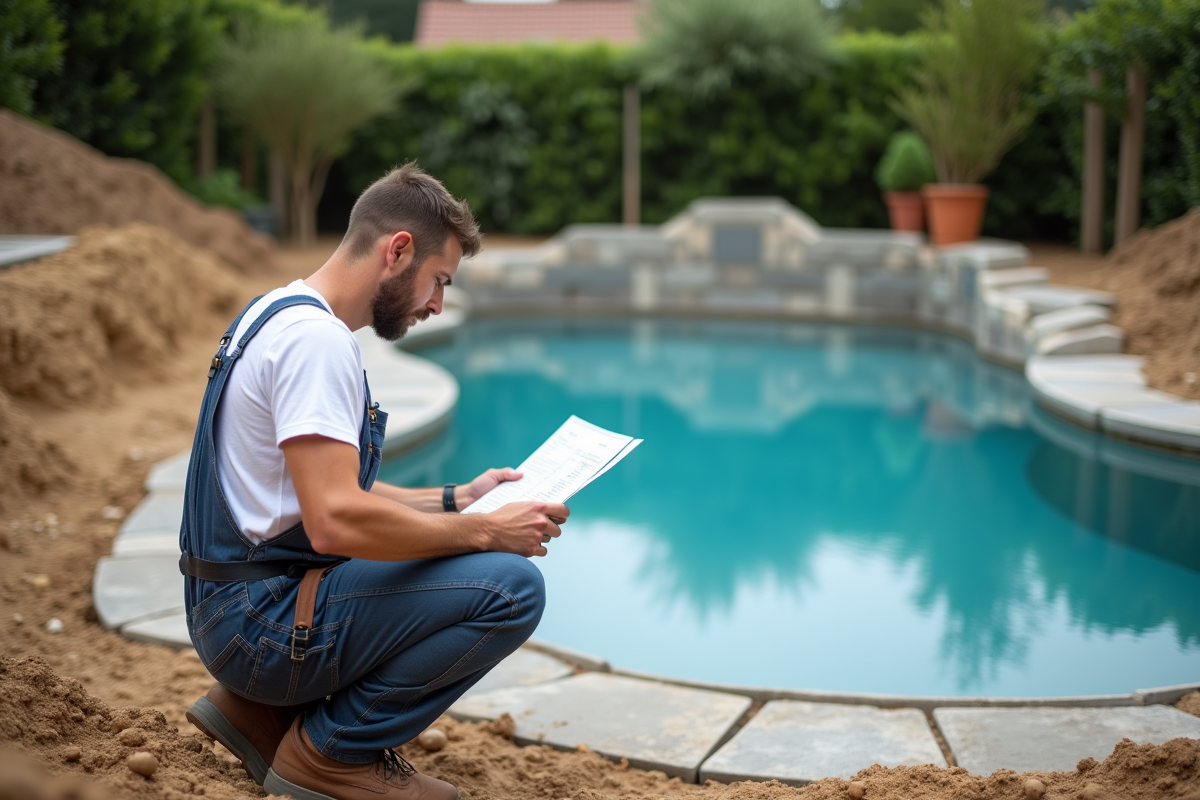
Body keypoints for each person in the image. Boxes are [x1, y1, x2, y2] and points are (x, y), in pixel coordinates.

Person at [178, 163, 569, 800]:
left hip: (237, 608)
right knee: (510, 589)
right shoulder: (317, 344)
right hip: (260, 627)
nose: (439, 304)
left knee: (469, 558)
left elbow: (316, 489)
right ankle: (333, 752)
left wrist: (456, 499)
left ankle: (266, 714)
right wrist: (484, 531)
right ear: (398, 251)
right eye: (439, 281)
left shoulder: (279, 310)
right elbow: (335, 520)